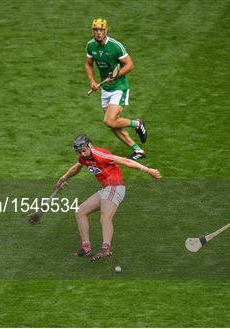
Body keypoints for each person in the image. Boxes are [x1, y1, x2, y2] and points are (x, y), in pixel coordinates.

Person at [56, 135, 161, 261]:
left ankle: (105, 250)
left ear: (90, 146)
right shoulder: (84, 158)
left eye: (84, 150)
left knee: (105, 217)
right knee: (80, 211)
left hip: (115, 187)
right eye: (79, 152)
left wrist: (147, 170)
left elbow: (125, 161)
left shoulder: (100, 155)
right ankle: (86, 248)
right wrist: (63, 178)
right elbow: (76, 168)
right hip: (105, 189)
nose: (82, 154)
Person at [85, 18, 148, 161]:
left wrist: (115, 76)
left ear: (106, 31)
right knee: (114, 125)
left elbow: (130, 65)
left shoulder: (115, 46)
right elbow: (88, 64)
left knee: (108, 120)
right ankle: (138, 150)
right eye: (95, 30)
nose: (98, 33)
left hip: (119, 87)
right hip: (105, 89)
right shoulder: (90, 46)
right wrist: (92, 81)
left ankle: (137, 123)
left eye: (101, 30)